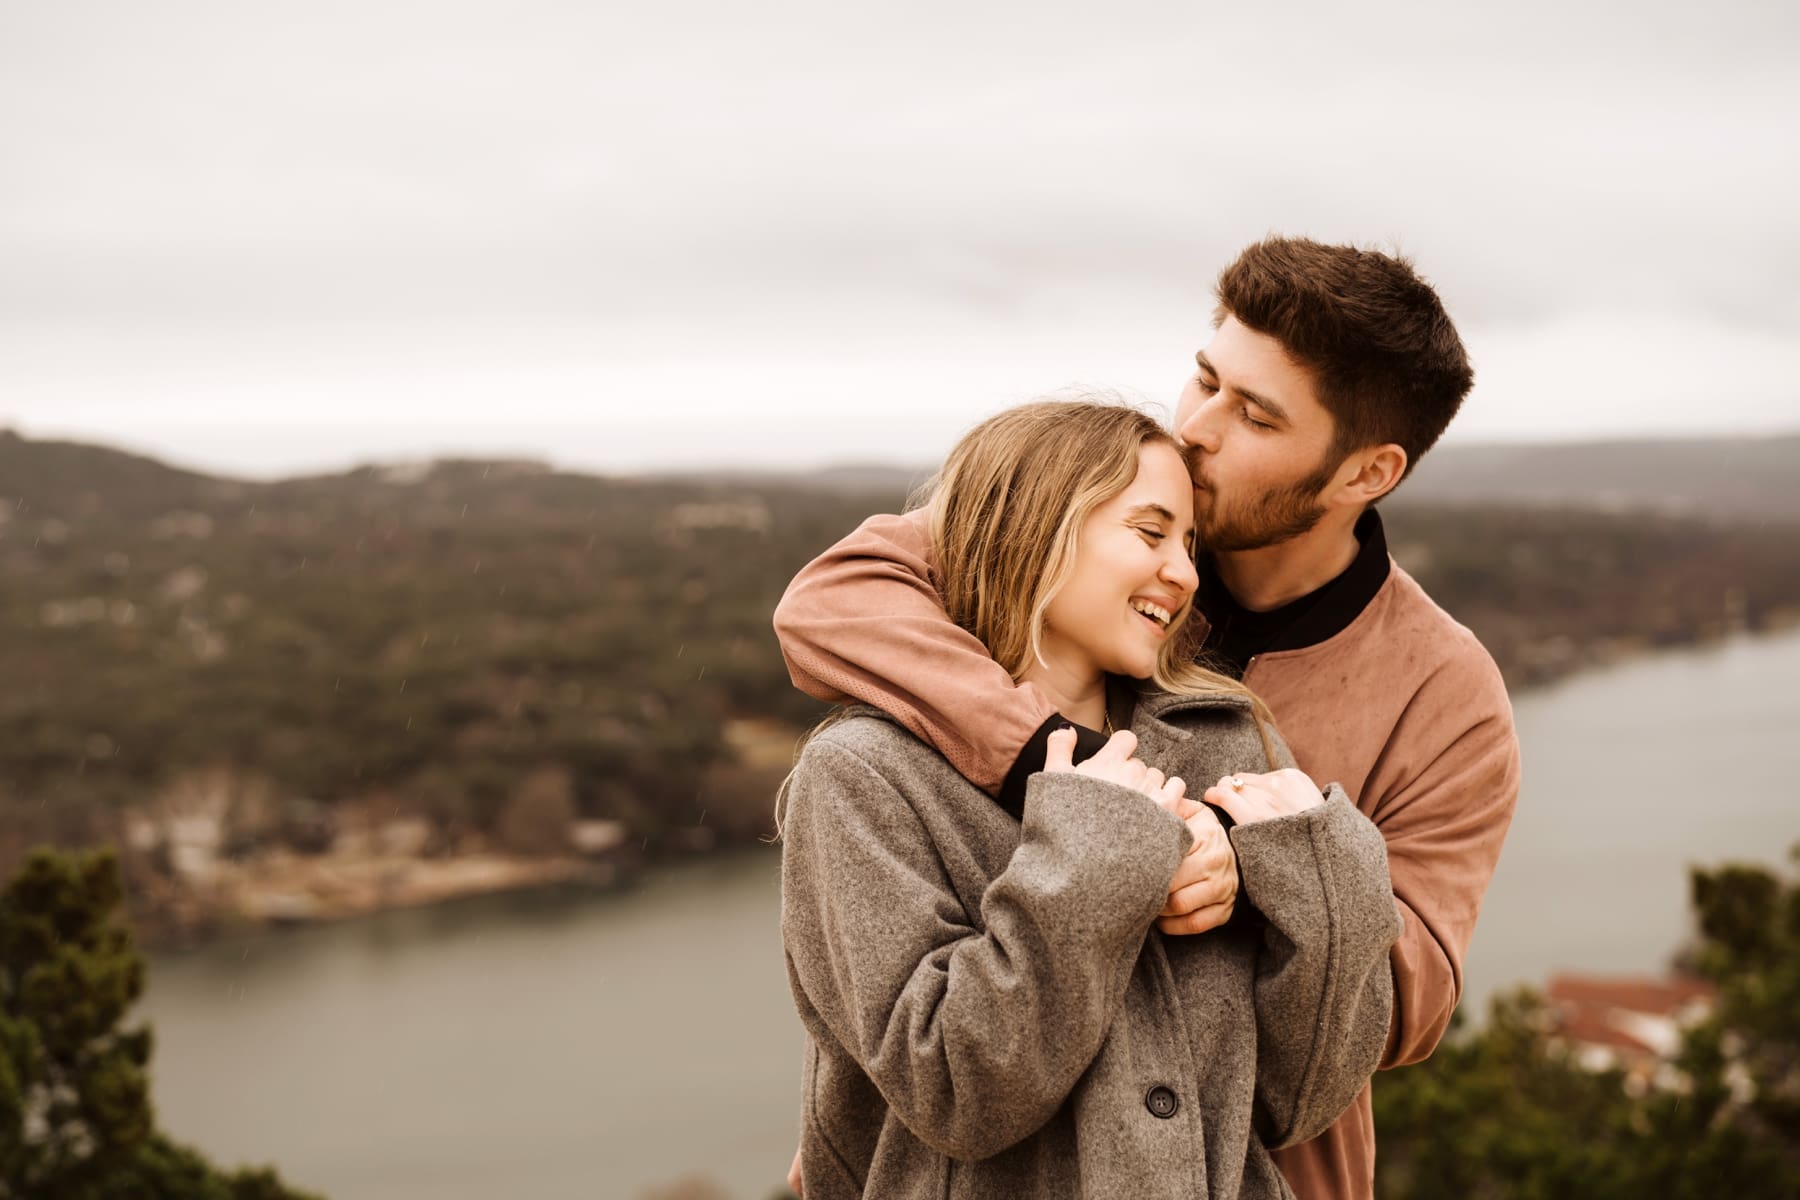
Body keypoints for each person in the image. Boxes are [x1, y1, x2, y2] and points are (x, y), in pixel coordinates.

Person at [774, 238, 1521, 1200]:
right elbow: (829, 600)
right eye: (1206, 380)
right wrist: (1054, 768)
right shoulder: (1081, 540)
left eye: (1254, 415)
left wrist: (1240, 870)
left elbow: (1407, 1005)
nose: (1200, 429)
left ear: (1365, 473)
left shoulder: (1445, 691)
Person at [779, 400, 1401, 1198]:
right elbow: (958, 1093)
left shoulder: (1222, 737)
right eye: (1150, 533)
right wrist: (1094, 856)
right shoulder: (862, 777)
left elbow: (1297, 1102)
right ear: (1032, 526)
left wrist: (1324, 875)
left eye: (1189, 544)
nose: (1183, 572)